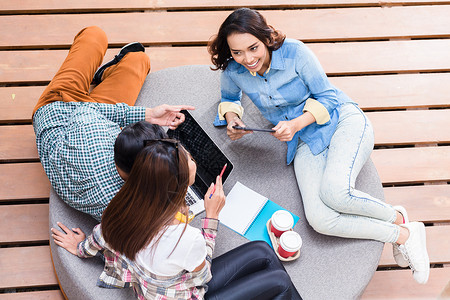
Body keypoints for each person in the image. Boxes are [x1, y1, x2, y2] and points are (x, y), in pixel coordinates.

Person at [208, 8, 430, 284]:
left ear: (266, 38)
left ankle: (403, 225)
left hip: (339, 122)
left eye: (253, 48)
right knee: (320, 220)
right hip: (303, 142)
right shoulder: (234, 68)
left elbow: (327, 97)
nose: (248, 59)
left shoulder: (295, 53)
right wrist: (233, 119)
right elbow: (229, 98)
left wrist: (295, 124)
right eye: (238, 52)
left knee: (335, 193)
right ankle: (402, 230)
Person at [51, 136, 302, 299]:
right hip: (186, 294)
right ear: (179, 188)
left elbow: (97, 239)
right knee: (279, 281)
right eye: (189, 160)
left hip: (166, 284)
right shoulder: (186, 238)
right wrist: (212, 216)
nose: (192, 159)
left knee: (262, 250)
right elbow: (203, 278)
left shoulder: (118, 211)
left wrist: (80, 248)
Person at [32, 26, 194, 221]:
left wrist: (147, 115)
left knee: (95, 35)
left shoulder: (94, 134)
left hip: (59, 108)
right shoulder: (129, 208)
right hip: (83, 124)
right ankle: (107, 74)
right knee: (138, 60)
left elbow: (87, 110)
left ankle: (106, 73)